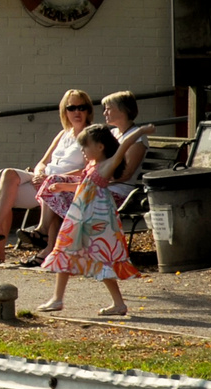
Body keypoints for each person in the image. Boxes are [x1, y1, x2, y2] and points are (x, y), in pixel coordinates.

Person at [37, 122, 156, 315]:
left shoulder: (107, 165)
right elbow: (84, 185)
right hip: (80, 216)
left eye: (85, 146)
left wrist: (141, 131)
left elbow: (124, 145)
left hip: (95, 220)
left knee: (100, 257)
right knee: (66, 250)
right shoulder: (92, 166)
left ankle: (118, 304)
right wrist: (62, 187)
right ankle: (58, 299)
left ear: (100, 147)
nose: (82, 150)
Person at [0, 90, 94, 265]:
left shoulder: (90, 134)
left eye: (81, 107)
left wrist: (51, 177)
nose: (77, 112)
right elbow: (42, 162)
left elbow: (87, 169)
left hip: (63, 185)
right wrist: (39, 174)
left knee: (9, 197)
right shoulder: (63, 134)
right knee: (7, 176)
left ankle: (32, 234)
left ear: (88, 110)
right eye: (72, 108)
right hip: (46, 180)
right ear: (64, 111)